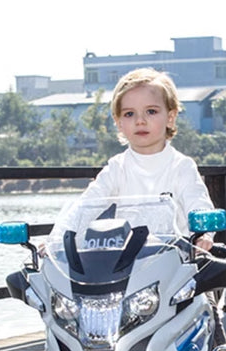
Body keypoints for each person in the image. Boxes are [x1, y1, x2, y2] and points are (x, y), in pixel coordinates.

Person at [79, 67, 216, 251]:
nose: (140, 120)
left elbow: (198, 204)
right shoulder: (116, 168)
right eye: (129, 114)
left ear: (170, 116)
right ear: (118, 122)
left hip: (176, 264)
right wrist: (55, 238)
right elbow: (83, 208)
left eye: (151, 111)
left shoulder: (182, 167)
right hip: (124, 264)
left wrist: (204, 234)